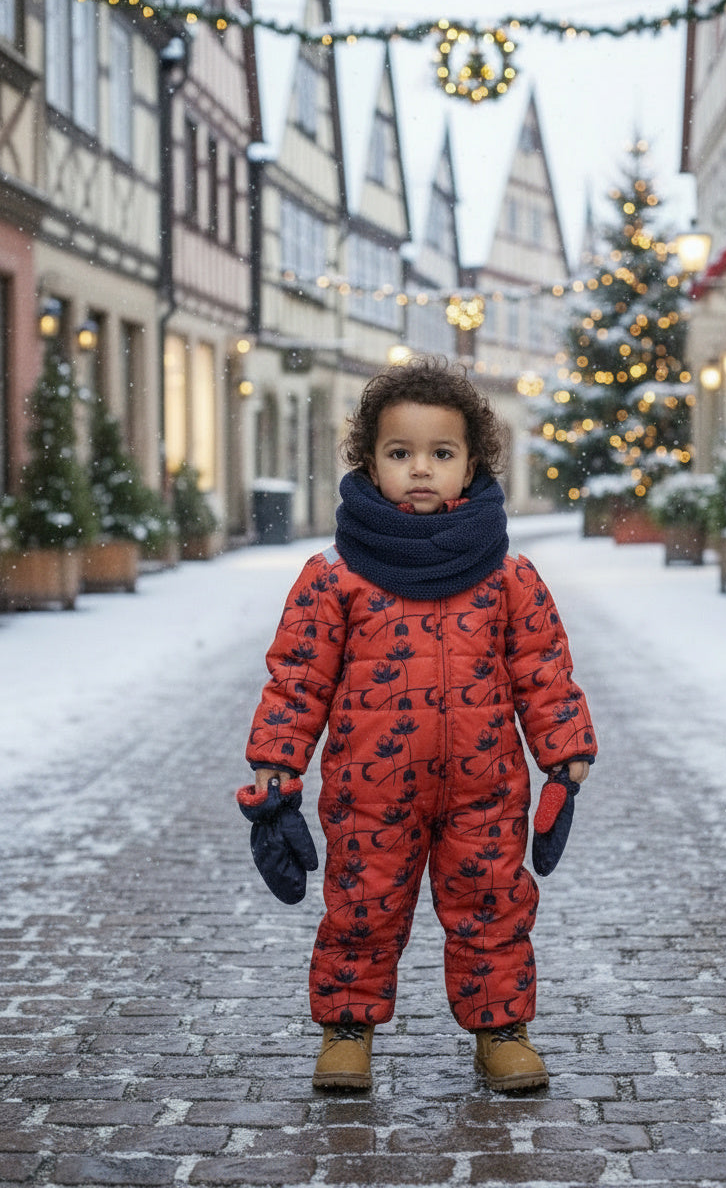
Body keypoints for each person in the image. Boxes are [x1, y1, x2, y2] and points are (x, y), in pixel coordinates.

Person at [244, 356, 597, 1092]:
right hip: (371, 791)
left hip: (485, 787)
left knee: (493, 907)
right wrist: (278, 762)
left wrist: (563, 755)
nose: (421, 470)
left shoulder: (506, 575)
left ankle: (501, 1029)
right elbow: (299, 675)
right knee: (361, 909)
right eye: (400, 454)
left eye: (442, 453)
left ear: (472, 464)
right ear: (370, 464)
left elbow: (542, 668)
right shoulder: (336, 575)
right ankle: (347, 1028)